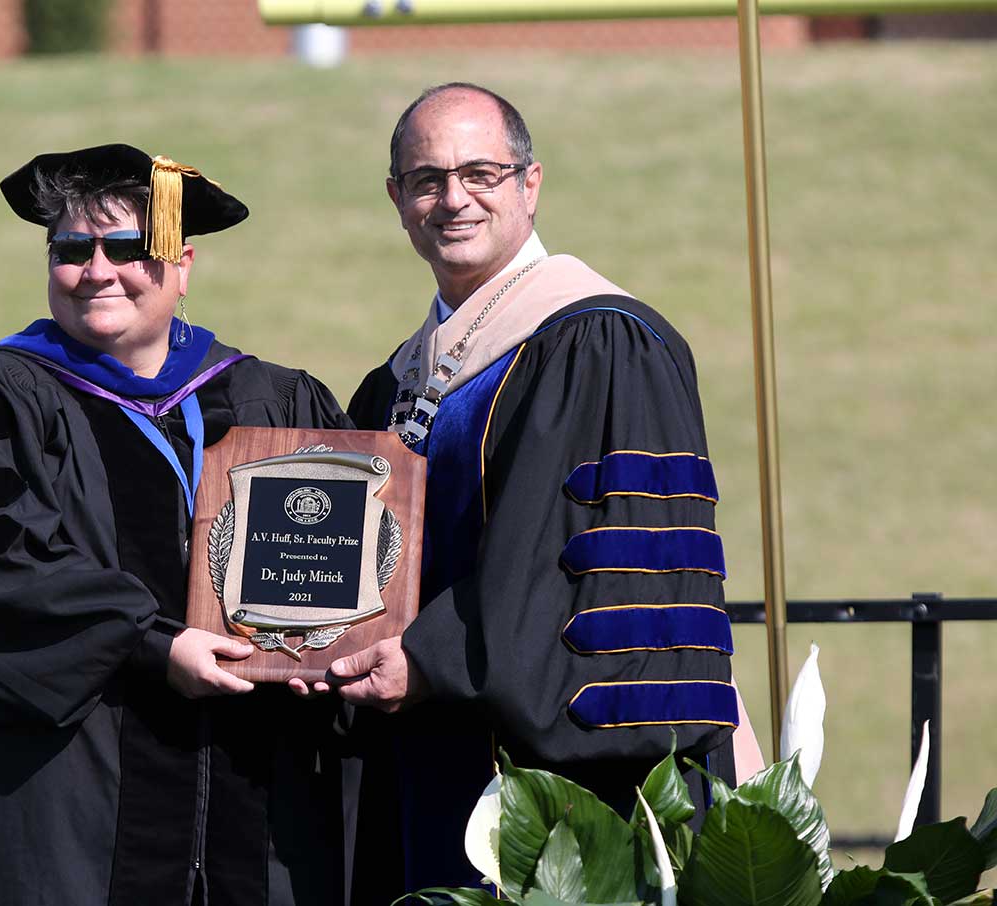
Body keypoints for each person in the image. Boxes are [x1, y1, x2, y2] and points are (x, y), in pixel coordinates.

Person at [0, 144, 357, 906]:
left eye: (128, 248)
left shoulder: (277, 403)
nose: (96, 270)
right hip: (70, 834)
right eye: (71, 249)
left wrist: (330, 653)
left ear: (183, 264)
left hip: (257, 828)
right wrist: (153, 646)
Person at [321, 82, 760, 893]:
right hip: (427, 752)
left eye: (481, 173)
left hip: (577, 787)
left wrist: (427, 658)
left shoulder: (600, 342)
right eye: (427, 179)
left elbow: (568, 560)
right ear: (397, 199)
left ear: (530, 183)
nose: (454, 199)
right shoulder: (399, 381)